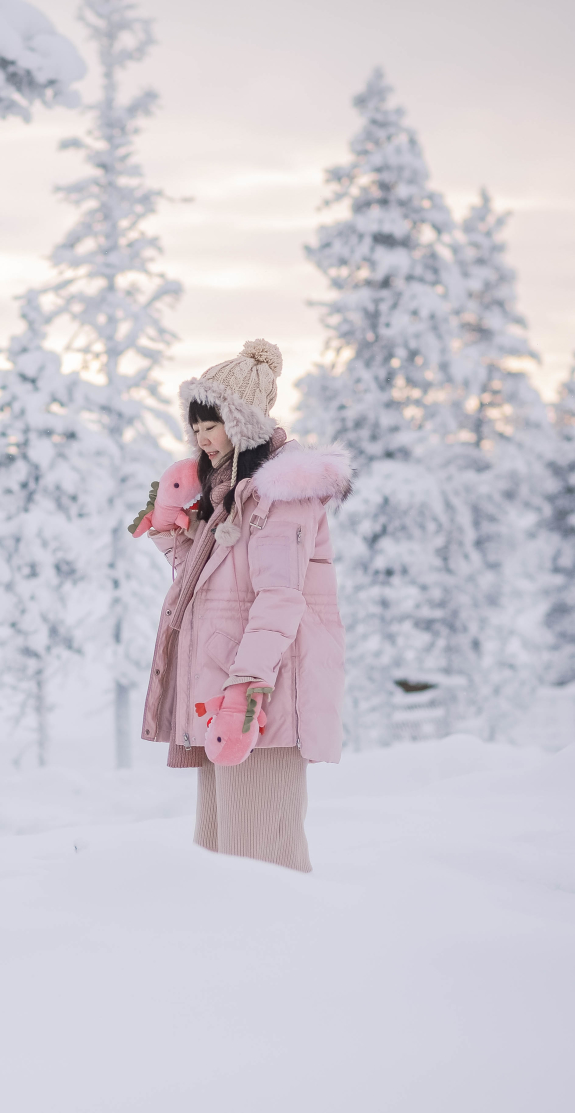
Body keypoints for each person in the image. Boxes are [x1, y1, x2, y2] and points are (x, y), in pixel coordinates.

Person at [133, 339, 351, 870]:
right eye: (197, 427)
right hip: (222, 694)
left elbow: (279, 599)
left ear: (244, 423)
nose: (202, 439)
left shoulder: (279, 494)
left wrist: (245, 691)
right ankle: (228, 950)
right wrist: (171, 528)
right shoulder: (228, 493)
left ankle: (286, 947)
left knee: (260, 853)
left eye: (214, 424)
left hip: (259, 700)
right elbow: (210, 587)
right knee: (219, 854)